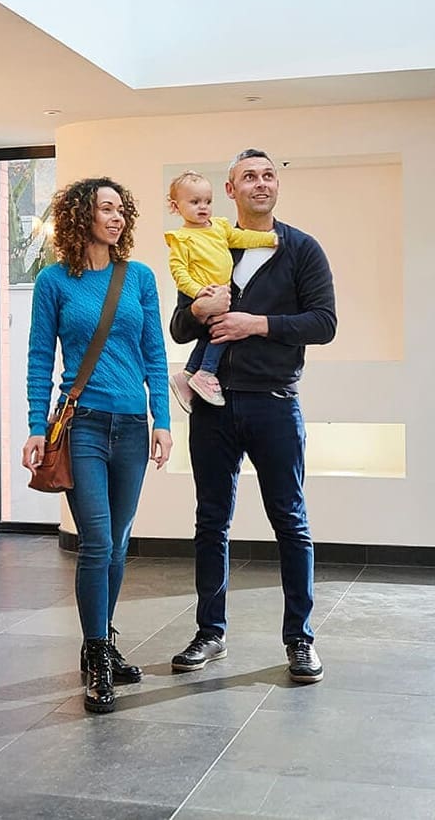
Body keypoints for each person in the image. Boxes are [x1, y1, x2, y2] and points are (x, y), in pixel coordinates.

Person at [168, 149, 336, 683]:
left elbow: (324, 322)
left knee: (290, 521)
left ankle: (300, 640)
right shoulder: (208, 242)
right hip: (212, 405)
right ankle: (210, 633)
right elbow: (179, 326)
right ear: (230, 189)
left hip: (275, 403)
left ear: (276, 186)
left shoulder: (301, 249)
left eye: (268, 175)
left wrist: (255, 323)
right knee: (210, 522)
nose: (260, 183)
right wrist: (199, 310)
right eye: (249, 177)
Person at [23, 178, 172, 714]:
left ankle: (102, 643)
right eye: (105, 208)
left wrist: (161, 419)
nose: (116, 217)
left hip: (131, 425)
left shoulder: (139, 278)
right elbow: (40, 357)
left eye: (121, 210)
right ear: (81, 215)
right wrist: (36, 425)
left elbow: (154, 353)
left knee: (118, 541)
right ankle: (97, 656)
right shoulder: (53, 281)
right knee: (97, 541)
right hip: (82, 425)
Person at [163, 169, 278, 410]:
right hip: (203, 292)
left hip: (220, 291)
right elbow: (179, 272)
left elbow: (242, 238)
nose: (203, 207)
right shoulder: (181, 238)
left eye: (207, 201)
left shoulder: (219, 227)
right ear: (175, 206)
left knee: (211, 334)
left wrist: (269, 239)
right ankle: (205, 373)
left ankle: (187, 375)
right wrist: (198, 292)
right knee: (222, 330)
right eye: (195, 202)